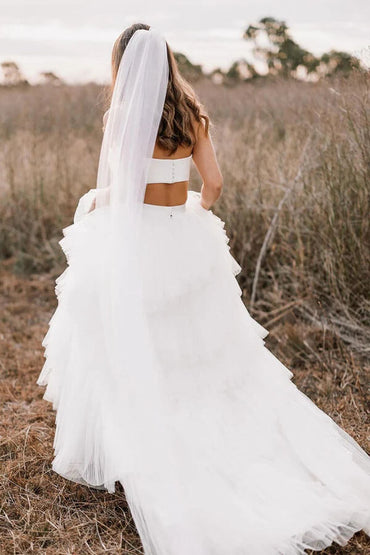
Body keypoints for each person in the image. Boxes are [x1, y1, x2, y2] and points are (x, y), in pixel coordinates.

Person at [37, 23, 370, 555]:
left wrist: (99, 202)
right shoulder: (192, 113)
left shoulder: (120, 116)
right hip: (185, 236)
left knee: (125, 336)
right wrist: (189, 214)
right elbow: (212, 185)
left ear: (123, 66)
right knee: (201, 347)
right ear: (167, 60)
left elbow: (123, 191)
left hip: (139, 238)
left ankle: (140, 439)